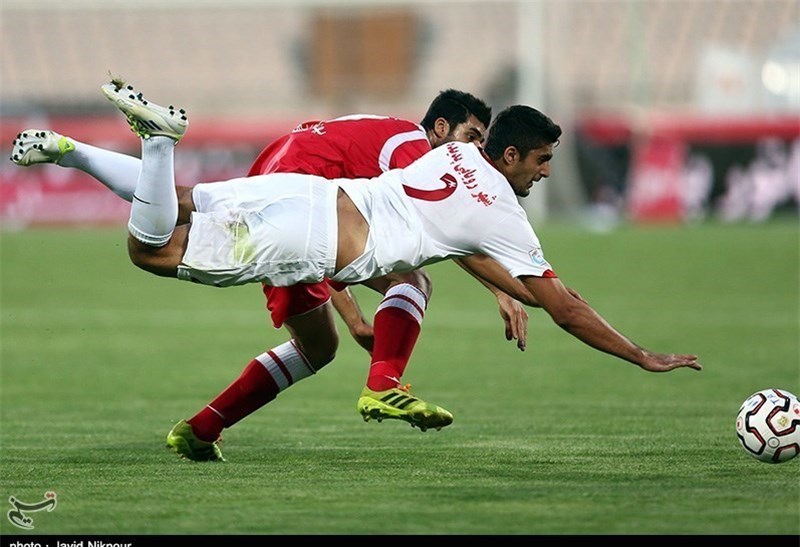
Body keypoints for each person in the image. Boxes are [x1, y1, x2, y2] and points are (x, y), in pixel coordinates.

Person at [93, 81, 702, 434]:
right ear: (510, 155)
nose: (545, 173)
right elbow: (564, 309)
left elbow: (454, 239)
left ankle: (88, 153)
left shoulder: (446, 153)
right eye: (542, 161)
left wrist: (506, 288)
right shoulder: (501, 212)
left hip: (302, 190)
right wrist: (641, 355)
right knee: (149, 252)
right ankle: (157, 143)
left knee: (173, 207)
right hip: (314, 243)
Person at [11, 84, 534, 461]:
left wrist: (351, 310)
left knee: (180, 209)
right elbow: (436, 231)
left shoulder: (390, 133)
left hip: (280, 178)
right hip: (298, 204)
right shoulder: (417, 149)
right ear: (441, 127)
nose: (472, 152)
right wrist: (501, 291)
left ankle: (201, 428)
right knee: (411, 281)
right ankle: (383, 383)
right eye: (470, 136)